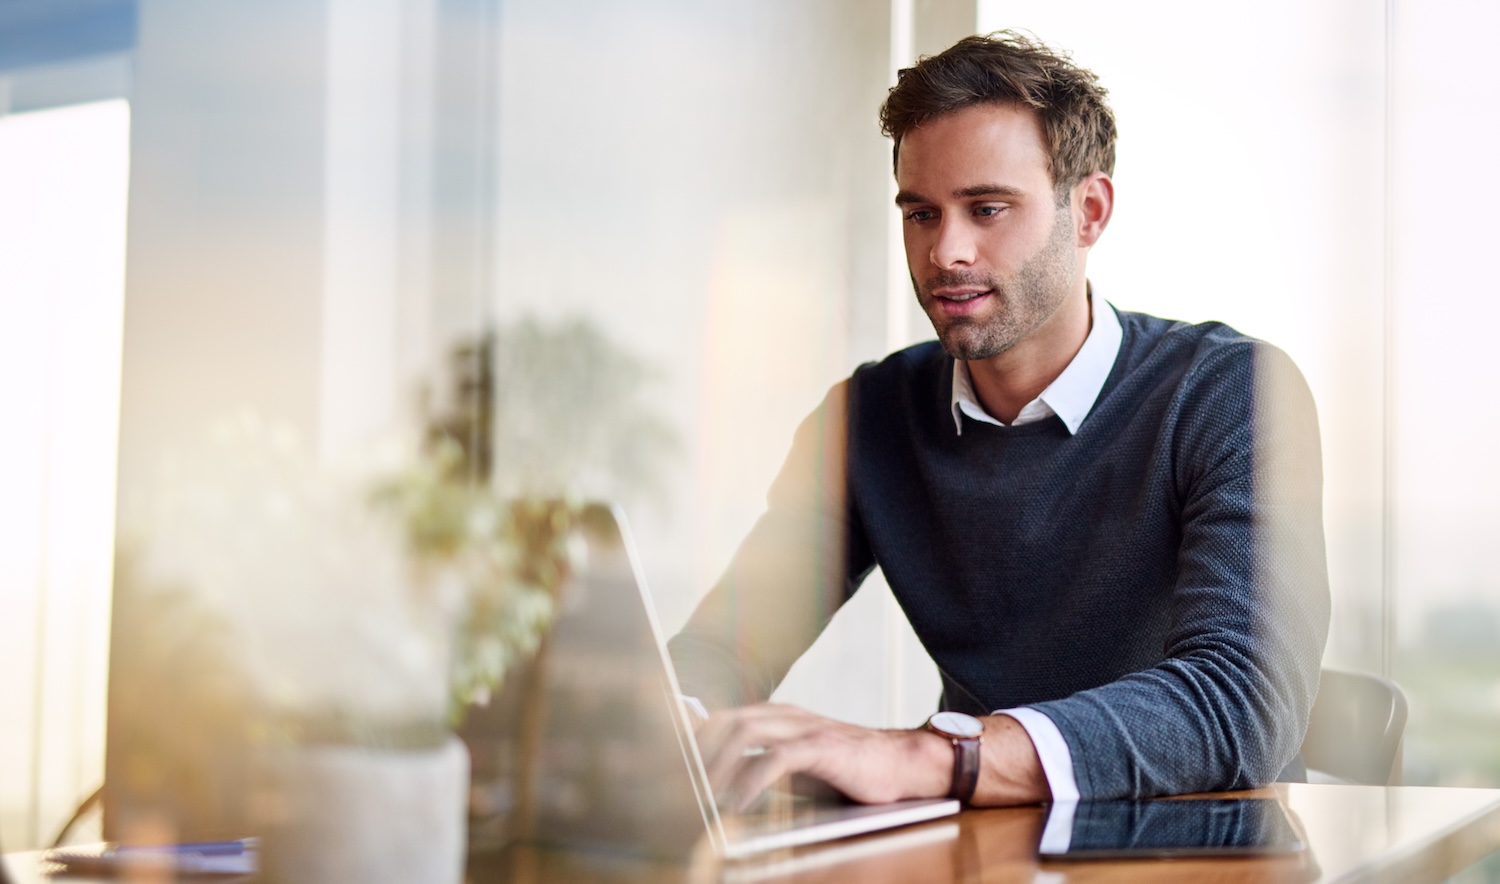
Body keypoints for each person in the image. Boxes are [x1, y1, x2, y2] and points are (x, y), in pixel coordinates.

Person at [667, 31, 1329, 809]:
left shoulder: (1229, 393)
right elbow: (726, 646)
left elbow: (1241, 701)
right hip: (980, 846)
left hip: (1191, 847)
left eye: (987, 209)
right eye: (921, 213)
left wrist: (939, 757)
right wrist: (670, 721)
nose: (946, 250)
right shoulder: (869, 417)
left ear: (1088, 211)